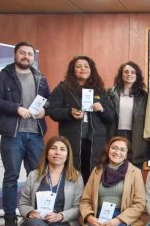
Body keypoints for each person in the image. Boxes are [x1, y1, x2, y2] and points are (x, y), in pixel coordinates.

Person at [0, 41, 51, 226]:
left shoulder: (40, 77)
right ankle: (10, 219)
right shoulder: (2, 76)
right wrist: (16, 109)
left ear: (33, 57)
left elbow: (49, 100)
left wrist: (44, 111)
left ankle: (37, 216)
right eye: (22, 53)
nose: (26, 56)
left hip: (36, 135)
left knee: (37, 177)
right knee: (11, 177)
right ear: (15, 54)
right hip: (12, 134)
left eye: (30, 54)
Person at [46, 55, 115, 184]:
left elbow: (111, 116)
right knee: (72, 174)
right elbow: (52, 110)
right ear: (73, 70)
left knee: (93, 174)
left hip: (94, 141)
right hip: (72, 139)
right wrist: (69, 112)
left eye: (86, 66)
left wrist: (102, 109)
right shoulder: (63, 88)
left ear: (91, 70)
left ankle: (90, 197)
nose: (83, 69)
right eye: (78, 66)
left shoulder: (99, 90)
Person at [106, 61, 149, 169]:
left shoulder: (144, 95)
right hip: (115, 133)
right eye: (126, 72)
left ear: (137, 76)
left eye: (133, 72)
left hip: (136, 136)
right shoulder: (111, 93)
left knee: (134, 167)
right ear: (121, 74)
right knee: (115, 165)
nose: (129, 74)